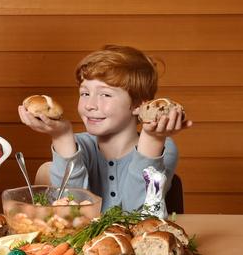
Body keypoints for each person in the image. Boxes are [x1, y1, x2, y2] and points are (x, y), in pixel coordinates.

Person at [18, 45, 192, 212]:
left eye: (105, 94)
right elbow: (73, 212)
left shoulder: (163, 148)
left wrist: (152, 140)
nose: (90, 105)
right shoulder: (77, 146)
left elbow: (137, 214)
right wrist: (62, 136)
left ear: (139, 104)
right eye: (85, 93)